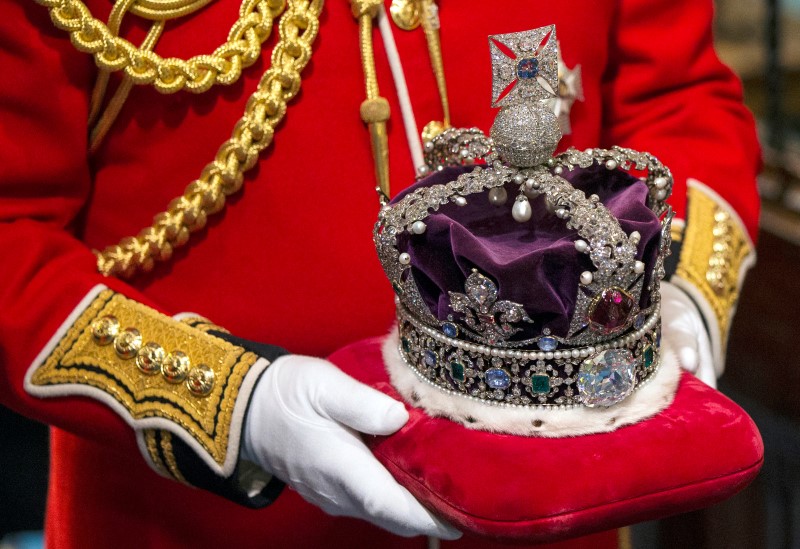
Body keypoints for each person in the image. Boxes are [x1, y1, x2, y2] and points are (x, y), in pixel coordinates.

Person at [0, 0, 759, 547]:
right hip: (197, 522)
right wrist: (235, 403)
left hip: (556, 502)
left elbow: (677, 97)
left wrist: (685, 284)